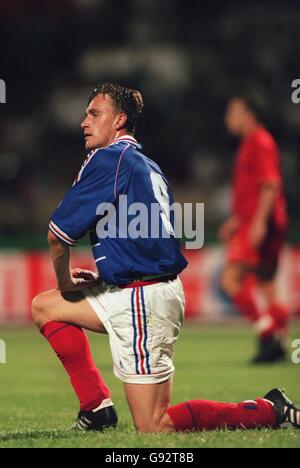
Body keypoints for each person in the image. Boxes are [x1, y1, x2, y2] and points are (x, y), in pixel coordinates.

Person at [32, 83, 299, 432]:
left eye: (94, 113)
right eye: (85, 114)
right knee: (45, 307)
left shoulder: (109, 158)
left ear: (119, 120)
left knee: (154, 426)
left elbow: (57, 237)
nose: (84, 121)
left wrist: (66, 281)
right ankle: (96, 408)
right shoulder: (146, 164)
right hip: (131, 289)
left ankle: (268, 410)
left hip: (142, 298)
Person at [220, 96, 289, 363]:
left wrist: (258, 222)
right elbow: (252, 189)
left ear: (249, 114)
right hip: (256, 221)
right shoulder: (252, 143)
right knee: (268, 285)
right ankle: (277, 342)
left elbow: (270, 184)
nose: (229, 119)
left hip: (261, 223)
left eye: (232, 112)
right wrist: (236, 220)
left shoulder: (259, 142)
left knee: (230, 279)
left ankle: (268, 334)